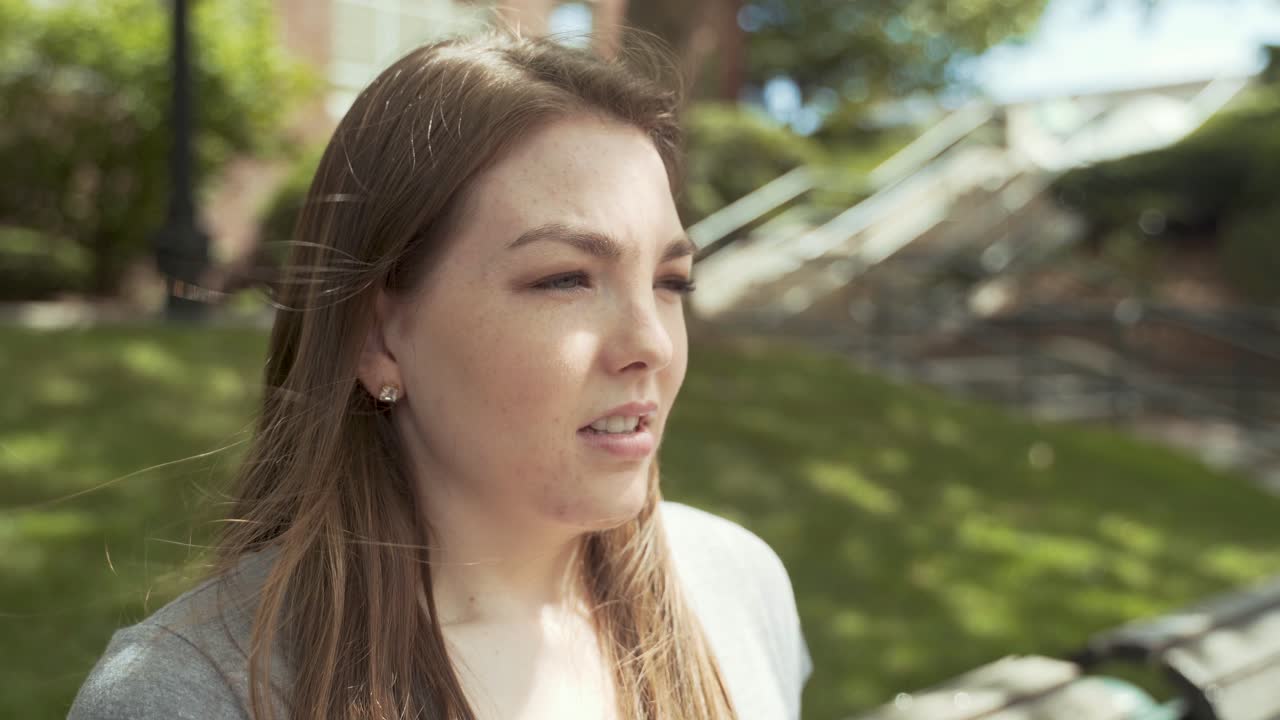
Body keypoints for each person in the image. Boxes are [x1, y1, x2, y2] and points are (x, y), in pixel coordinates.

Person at [69, 30, 811, 720]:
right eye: (565, 279)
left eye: (670, 281)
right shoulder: (195, 692)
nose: (650, 342)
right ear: (379, 338)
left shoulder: (735, 587)